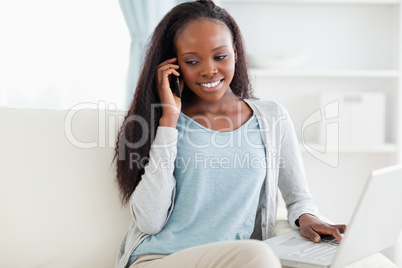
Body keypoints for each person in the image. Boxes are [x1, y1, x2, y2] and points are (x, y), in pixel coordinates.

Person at [114, 1, 346, 267]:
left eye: (220, 56)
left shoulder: (272, 118)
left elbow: (299, 198)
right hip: (160, 258)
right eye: (192, 61)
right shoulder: (160, 121)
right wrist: (168, 119)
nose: (209, 70)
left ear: (235, 52)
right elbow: (149, 221)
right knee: (258, 256)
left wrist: (308, 217)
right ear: (174, 65)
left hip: (233, 261)